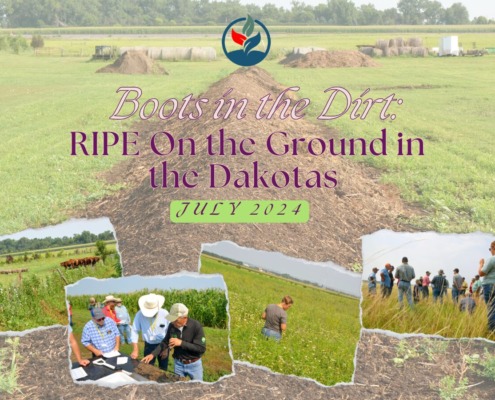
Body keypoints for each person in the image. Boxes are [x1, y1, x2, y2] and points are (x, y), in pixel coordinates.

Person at [143, 303, 206, 381]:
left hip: (194, 365)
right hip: (178, 364)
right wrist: (152, 355)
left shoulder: (196, 326)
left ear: (185, 318)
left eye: (176, 320)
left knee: (198, 388)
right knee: (178, 387)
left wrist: (181, 343)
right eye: (172, 320)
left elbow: (201, 348)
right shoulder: (172, 326)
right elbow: (165, 342)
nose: (173, 323)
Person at [130, 293, 170, 371]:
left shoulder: (165, 313)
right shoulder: (139, 315)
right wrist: (135, 349)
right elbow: (134, 330)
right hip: (149, 346)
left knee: (163, 368)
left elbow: (170, 331)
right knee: (147, 368)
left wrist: (166, 348)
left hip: (162, 345)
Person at [478, 240, 495, 331]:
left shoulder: (492, 259)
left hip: (490, 285)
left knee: (491, 308)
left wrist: (481, 264)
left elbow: (481, 273)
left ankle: (492, 330)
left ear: (493, 247)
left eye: (490, 249)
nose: (490, 251)